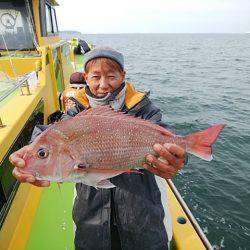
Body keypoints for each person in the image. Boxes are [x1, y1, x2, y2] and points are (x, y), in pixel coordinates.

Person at [10, 47, 187, 250]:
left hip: (143, 222)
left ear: (123, 76)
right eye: (95, 77)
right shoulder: (76, 111)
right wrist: (31, 151)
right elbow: (52, 131)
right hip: (91, 224)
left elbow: (168, 137)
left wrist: (179, 158)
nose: (103, 85)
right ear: (85, 77)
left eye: (111, 76)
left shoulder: (144, 110)